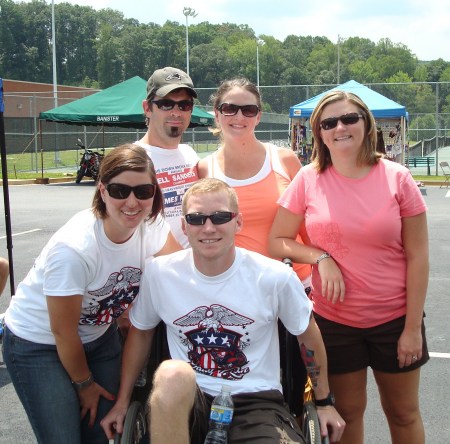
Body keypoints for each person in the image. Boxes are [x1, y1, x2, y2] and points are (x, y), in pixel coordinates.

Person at [101, 178, 345, 444]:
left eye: (220, 217)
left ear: (237, 222)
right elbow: (141, 334)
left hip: (256, 401)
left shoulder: (275, 277)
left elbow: (307, 336)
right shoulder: (160, 274)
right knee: (171, 373)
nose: (208, 227)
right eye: (196, 218)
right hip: (190, 399)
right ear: (184, 225)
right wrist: (123, 402)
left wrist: (324, 402)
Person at [269, 91, 429, 444]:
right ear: (320, 134)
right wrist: (320, 258)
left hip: (395, 320)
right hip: (335, 322)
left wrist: (412, 327)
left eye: (349, 118)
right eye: (329, 123)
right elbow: (278, 240)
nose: (340, 127)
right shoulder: (308, 179)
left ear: (366, 124)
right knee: (347, 415)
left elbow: (418, 256)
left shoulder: (397, 177)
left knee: (403, 414)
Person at [2, 144, 180, 444]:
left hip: (98, 336)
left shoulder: (152, 225)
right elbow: (63, 332)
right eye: (120, 191)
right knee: (64, 438)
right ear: (102, 190)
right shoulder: (74, 249)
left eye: (143, 191)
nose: (133, 202)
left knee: (101, 432)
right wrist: (84, 385)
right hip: (39, 344)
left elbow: (179, 275)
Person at [197, 77, 311, 416]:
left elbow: (307, 226)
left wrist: (320, 264)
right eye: (229, 108)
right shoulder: (206, 168)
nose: (239, 116)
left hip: (293, 284)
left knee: (295, 386)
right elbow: (203, 229)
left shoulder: (285, 160)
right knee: (246, 381)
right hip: (240, 292)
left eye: (248, 109)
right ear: (216, 114)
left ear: (258, 116)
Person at [135, 66, 200, 248]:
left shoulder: (190, 155)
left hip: (195, 267)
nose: (176, 112)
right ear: (147, 108)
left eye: (184, 105)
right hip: (155, 270)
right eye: (166, 104)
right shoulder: (132, 160)